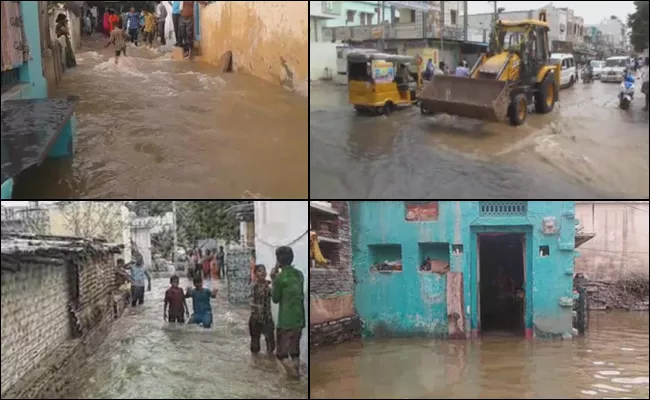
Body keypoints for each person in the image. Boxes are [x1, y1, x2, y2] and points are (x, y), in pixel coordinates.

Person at [270, 246, 305, 378]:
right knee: (294, 352)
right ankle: (294, 376)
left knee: (281, 355)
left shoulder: (280, 279)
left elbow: (275, 299)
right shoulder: (299, 274)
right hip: (299, 319)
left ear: (278, 261)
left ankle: (295, 379)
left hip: (286, 321)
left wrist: (273, 279)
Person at [249, 265, 275, 355]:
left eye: (264, 270)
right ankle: (256, 364)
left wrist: (274, 279)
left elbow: (275, 297)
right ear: (255, 274)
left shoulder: (269, 286)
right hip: (256, 318)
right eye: (259, 271)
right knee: (255, 346)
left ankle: (270, 363)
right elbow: (250, 302)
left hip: (267, 317)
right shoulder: (254, 286)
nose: (262, 272)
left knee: (271, 345)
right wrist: (256, 306)